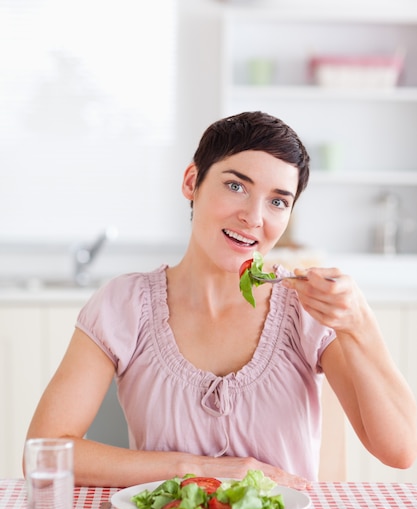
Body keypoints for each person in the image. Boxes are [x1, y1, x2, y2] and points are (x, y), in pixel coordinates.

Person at [24, 111, 417, 489]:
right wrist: (198, 469)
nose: (253, 217)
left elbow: (400, 451)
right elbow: (42, 454)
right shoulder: (122, 305)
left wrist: (360, 322)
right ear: (191, 181)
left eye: (278, 201)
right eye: (236, 186)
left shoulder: (306, 309)